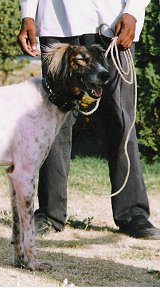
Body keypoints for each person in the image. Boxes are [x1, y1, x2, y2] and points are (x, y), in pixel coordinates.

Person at [17, 0, 160, 239]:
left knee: (121, 119)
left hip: (112, 21)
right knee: (56, 121)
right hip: (57, 22)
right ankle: (50, 213)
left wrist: (133, 11)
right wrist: (28, 14)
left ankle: (133, 213)